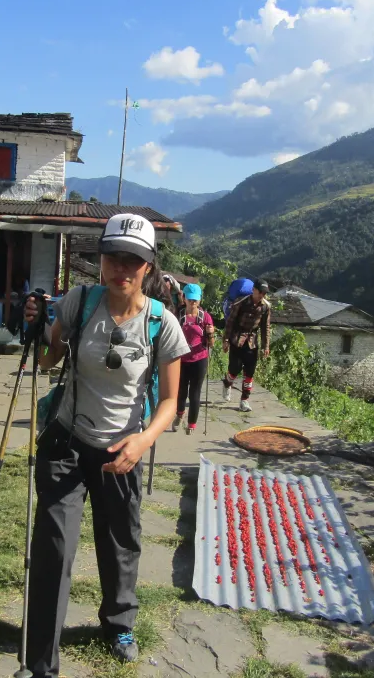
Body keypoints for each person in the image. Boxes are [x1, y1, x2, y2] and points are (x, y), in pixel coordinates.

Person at [22, 213, 189, 678]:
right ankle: (41, 662)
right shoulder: (80, 302)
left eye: (133, 260)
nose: (123, 267)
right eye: (114, 257)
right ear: (101, 260)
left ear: (149, 267)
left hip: (122, 452)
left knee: (120, 543)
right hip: (66, 443)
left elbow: (172, 401)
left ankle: (118, 623)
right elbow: (49, 361)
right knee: (54, 548)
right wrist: (41, 328)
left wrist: (144, 440)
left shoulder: (162, 324)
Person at [222, 278, 271, 412]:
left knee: (249, 371)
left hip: (252, 342)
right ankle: (227, 383)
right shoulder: (241, 303)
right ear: (254, 290)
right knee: (234, 369)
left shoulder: (265, 307)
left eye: (264, 293)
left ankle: (244, 400)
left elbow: (265, 327)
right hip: (237, 339)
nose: (262, 295)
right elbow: (230, 322)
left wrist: (265, 346)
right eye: (260, 291)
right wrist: (226, 340)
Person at [173, 283, 214, 432]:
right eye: (190, 299)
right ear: (184, 298)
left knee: (195, 392)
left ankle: (191, 424)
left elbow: (211, 344)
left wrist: (210, 333)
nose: (193, 302)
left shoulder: (205, 317)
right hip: (181, 359)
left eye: (195, 299)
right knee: (181, 391)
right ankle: (179, 414)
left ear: (200, 300)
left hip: (199, 359)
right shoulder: (178, 315)